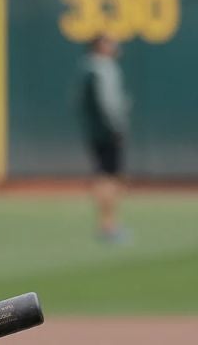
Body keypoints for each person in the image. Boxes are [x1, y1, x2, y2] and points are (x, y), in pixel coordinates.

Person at [80, 33, 131, 244]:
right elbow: (107, 103)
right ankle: (108, 225)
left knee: (105, 176)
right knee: (109, 178)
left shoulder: (87, 68)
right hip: (107, 131)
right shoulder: (100, 69)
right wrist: (116, 127)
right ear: (99, 46)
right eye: (109, 43)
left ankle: (108, 224)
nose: (114, 46)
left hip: (96, 131)